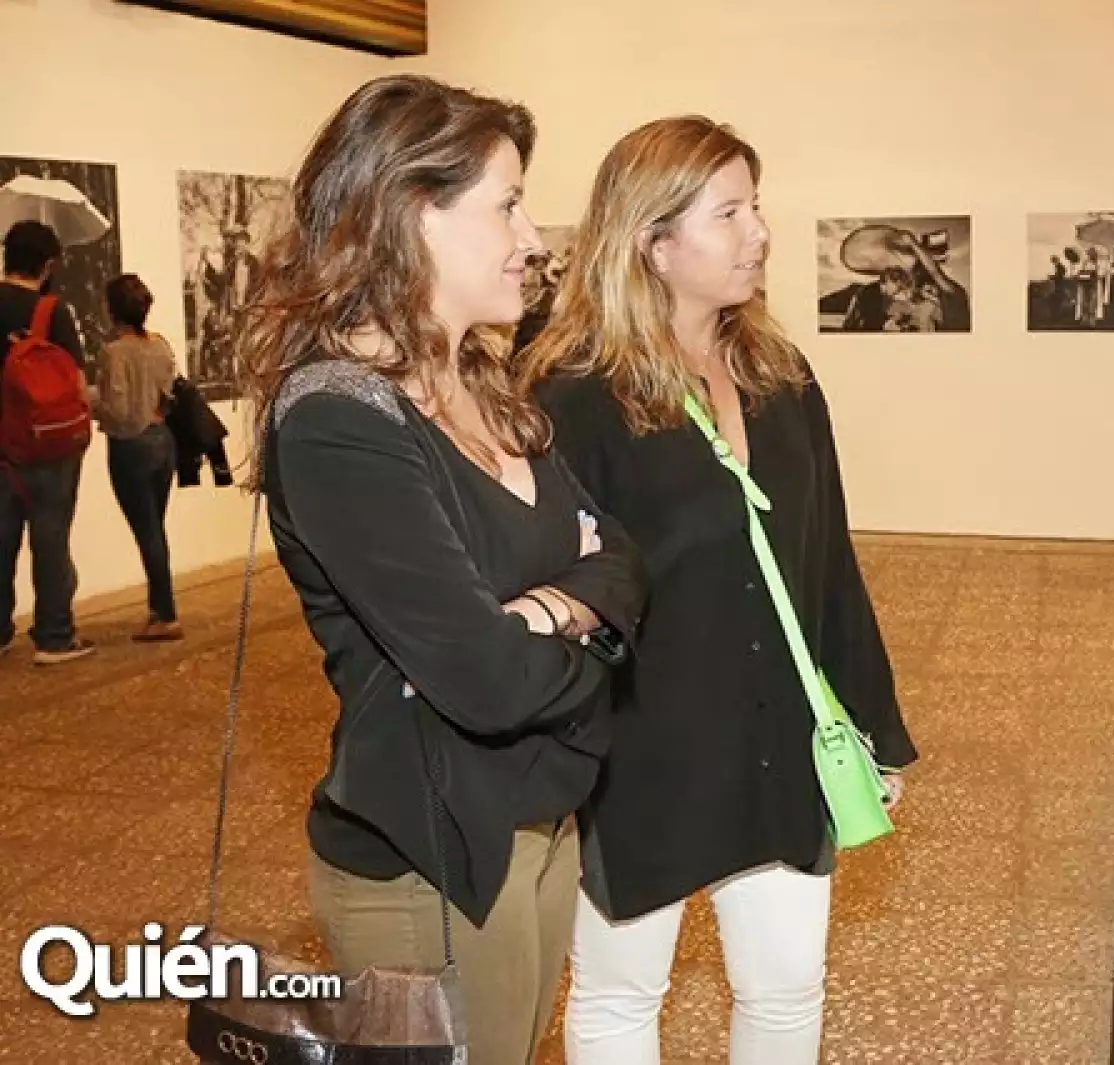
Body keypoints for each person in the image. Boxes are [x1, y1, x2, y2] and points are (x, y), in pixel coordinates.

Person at [234, 73, 646, 1065]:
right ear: (411, 212)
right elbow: (488, 679)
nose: (533, 236)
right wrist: (581, 620)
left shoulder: (482, 381)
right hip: (436, 859)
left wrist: (543, 610)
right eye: (506, 203)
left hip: (539, 822)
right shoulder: (338, 417)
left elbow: (625, 562)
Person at [524, 115, 919, 1064]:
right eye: (729, 212)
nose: (760, 232)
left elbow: (829, 565)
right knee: (623, 993)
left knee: (785, 988)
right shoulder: (574, 394)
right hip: (642, 749)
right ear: (653, 242)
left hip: (782, 738)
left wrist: (873, 721)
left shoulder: (782, 378)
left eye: (757, 206)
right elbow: (555, 589)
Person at [0, 219, 94, 664]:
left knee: (0, 537)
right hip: (49, 447)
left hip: (2, 447)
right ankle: (54, 636)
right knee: (51, 535)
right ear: (49, 264)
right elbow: (75, 381)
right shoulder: (50, 311)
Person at [92, 273, 182, 641]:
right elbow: (170, 391)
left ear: (113, 309)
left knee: (148, 532)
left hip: (131, 447)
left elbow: (120, 410)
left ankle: (165, 613)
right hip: (163, 442)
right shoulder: (160, 345)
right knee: (154, 529)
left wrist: (90, 405)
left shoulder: (113, 353)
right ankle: (158, 609)